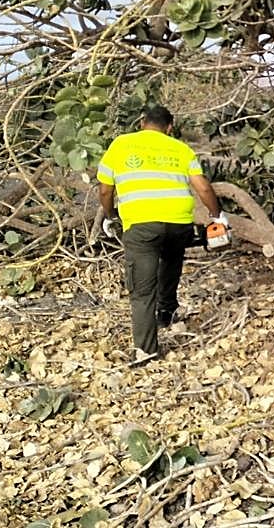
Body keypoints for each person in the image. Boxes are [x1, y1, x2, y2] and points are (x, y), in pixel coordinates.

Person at [97, 105, 228, 361]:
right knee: (171, 260)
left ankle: (146, 350)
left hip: (142, 226)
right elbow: (203, 187)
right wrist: (216, 216)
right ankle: (166, 313)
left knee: (142, 289)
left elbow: (105, 190)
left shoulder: (121, 145)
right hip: (179, 224)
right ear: (170, 127)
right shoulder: (180, 148)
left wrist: (111, 217)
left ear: (142, 122)